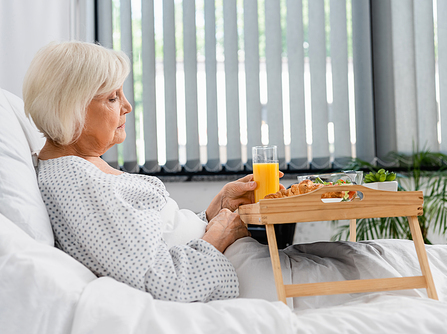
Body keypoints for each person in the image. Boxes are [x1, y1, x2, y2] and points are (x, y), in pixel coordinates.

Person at [24, 41, 269, 303]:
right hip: (246, 278)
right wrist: (218, 236)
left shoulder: (81, 168)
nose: (127, 106)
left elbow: (155, 237)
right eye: (112, 98)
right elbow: (163, 283)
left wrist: (212, 212)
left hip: (243, 264)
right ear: (71, 109)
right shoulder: (77, 185)